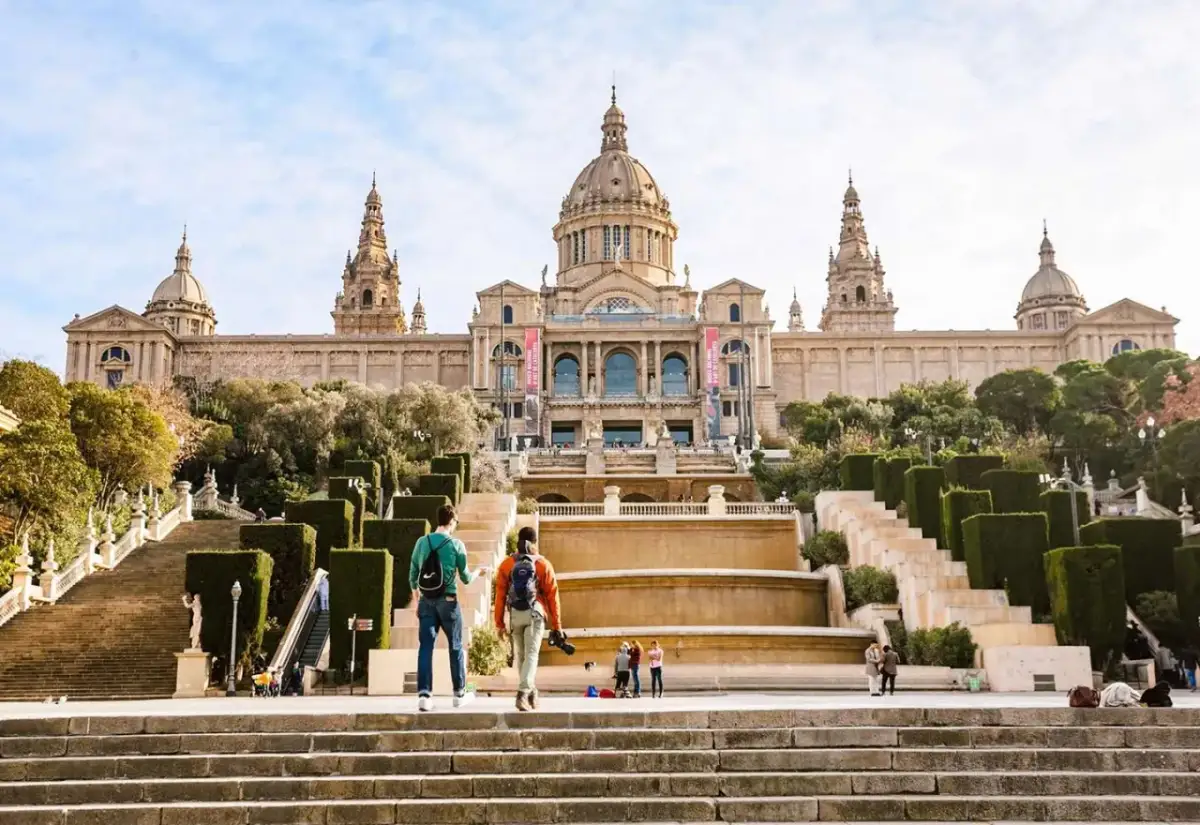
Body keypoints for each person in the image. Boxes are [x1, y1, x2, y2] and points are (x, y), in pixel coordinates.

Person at [409, 504, 491, 712]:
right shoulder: (456, 545)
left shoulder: (421, 542)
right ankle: (458, 694)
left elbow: (412, 576)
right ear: (452, 521)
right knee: (455, 646)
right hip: (449, 601)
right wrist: (478, 572)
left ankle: (425, 696)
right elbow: (465, 577)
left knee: (425, 648)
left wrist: (417, 601)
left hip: (426, 601)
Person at [492, 526, 562, 712]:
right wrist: (557, 625)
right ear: (535, 542)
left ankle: (531, 692)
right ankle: (523, 693)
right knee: (531, 655)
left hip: (515, 614)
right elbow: (552, 596)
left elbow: (499, 595)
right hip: (535, 613)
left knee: (522, 657)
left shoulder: (507, 564)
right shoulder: (543, 564)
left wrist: (499, 623)